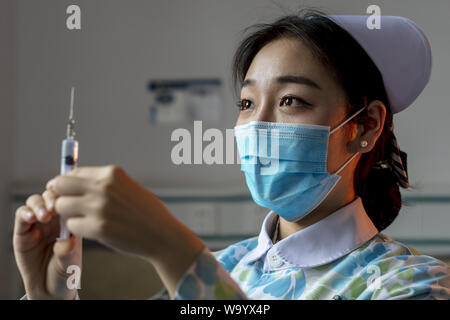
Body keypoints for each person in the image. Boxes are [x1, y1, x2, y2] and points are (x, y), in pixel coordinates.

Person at [14, 10, 450, 300]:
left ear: (367, 125)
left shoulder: (408, 284)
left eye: (291, 100)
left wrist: (171, 246)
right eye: (246, 104)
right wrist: (48, 295)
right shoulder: (225, 267)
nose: (258, 125)